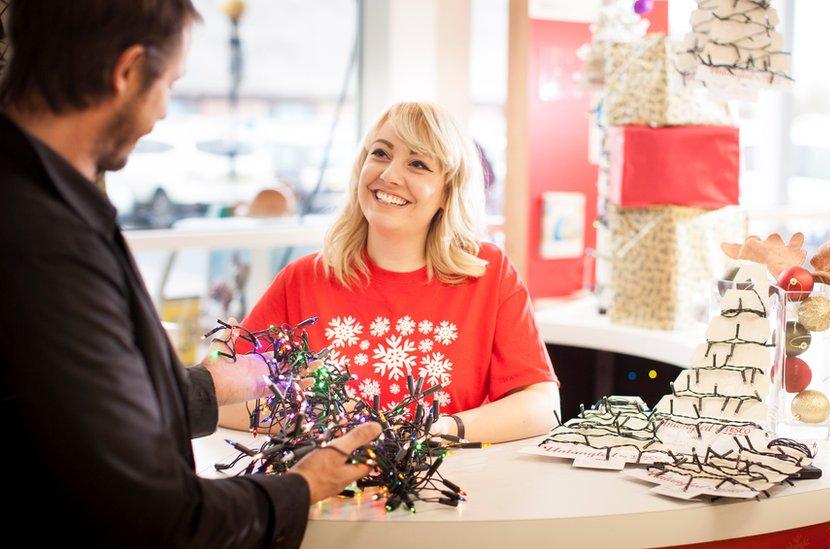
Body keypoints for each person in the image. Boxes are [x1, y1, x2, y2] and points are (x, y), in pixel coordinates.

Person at [0, 1, 379, 547]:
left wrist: (206, 386)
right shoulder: (43, 243)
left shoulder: (40, 206)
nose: (161, 114)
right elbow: (153, 514)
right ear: (127, 72)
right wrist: (301, 486)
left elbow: (69, 411)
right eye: (170, 87)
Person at [220, 102, 560, 443]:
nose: (389, 175)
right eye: (381, 153)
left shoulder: (489, 274)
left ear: (447, 191)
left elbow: (542, 406)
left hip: (451, 487)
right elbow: (220, 399)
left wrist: (441, 429)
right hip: (327, 488)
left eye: (418, 163)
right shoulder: (303, 279)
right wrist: (320, 423)